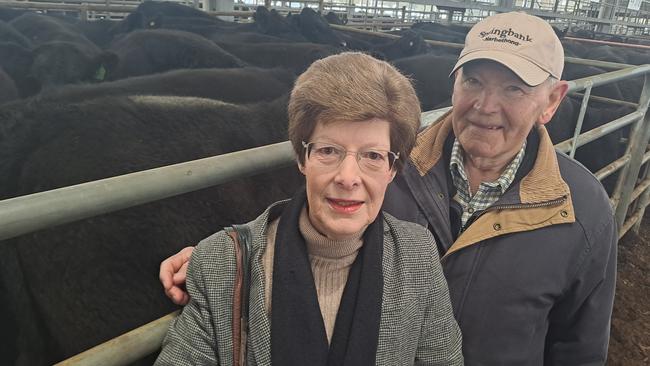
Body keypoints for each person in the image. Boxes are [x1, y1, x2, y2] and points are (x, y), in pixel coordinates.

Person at [161, 12, 617, 365]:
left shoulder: (583, 210)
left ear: (552, 101)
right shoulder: (393, 154)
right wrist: (222, 253)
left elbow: (578, 348)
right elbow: (293, 220)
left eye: (514, 89)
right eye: (473, 80)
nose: (484, 106)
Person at [156, 52, 464, 365]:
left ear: (393, 169)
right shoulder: (222, 264)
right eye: (328, 150)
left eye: (372, 156)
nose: (347, 178)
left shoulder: (418, 255)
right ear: (302, 159)